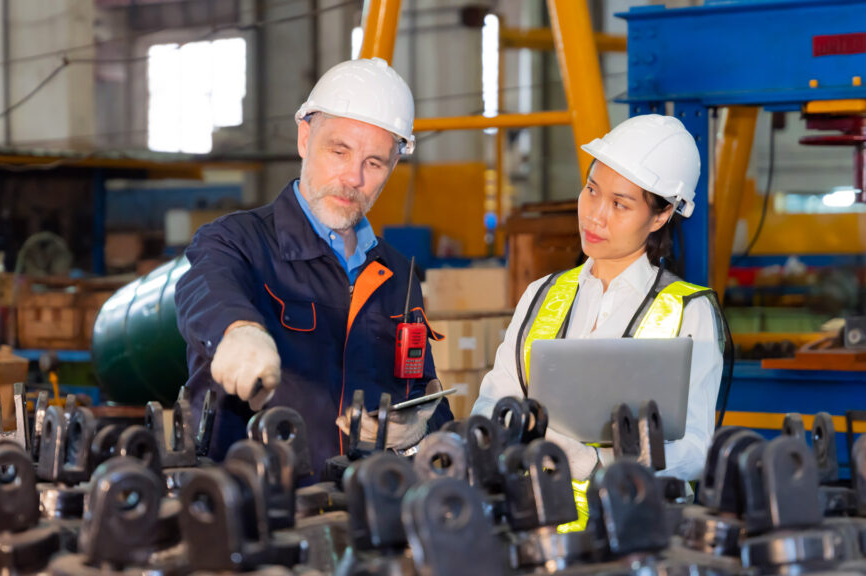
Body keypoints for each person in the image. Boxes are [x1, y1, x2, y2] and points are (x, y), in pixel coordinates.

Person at [175, 58, 453, 476]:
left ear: (393, 167)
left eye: (374, 162)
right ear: (305, 137)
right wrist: (239, 334)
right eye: (339, 151)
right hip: (249, 508)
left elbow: (424, 394)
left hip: (360, 511)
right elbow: (205, 290)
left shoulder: (397, 277)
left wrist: (417, 430)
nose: (353, 178)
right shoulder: (237, 241)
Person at [472, 114, 725, 528]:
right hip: (534, 528)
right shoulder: (541, 294)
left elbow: (696, 448)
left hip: (634, 533)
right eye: (591, 190)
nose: (595, 215)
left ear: (660, 217)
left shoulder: (686, 311)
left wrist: (596, 462)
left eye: (620, 204)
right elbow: (493, 405)